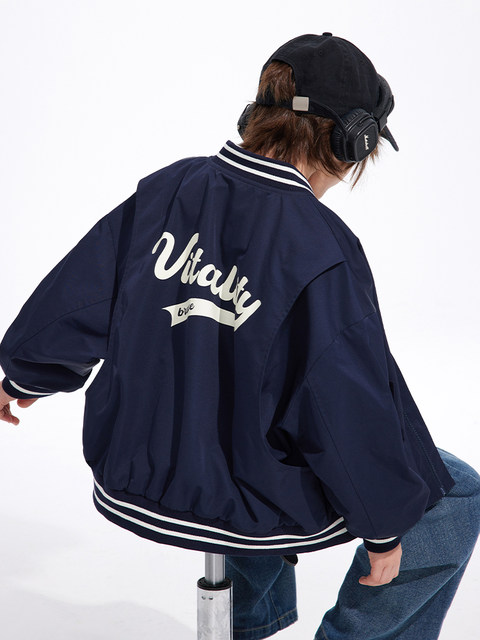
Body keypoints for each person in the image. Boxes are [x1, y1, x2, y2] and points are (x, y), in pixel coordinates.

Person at [0, 32, 479, 640]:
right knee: (455, 496)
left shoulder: (167, 189)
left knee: (252, 418)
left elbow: (80, 298)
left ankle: (243, 627)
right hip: (245, 490)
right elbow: (344, 407)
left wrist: (21, 377)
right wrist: (384, 526)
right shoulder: (323, 247)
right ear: (348, 141)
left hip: (138, 468)